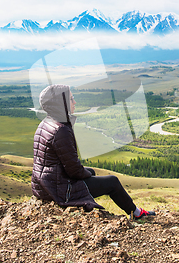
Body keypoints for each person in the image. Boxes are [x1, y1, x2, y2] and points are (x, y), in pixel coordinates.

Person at [31, 84, 155, 219]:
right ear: (62, 103)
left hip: (44, 185)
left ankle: (86, 204)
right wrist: (84, 173)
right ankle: (137, 214)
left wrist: (86, 173)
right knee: (112, 182)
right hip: (59, 190)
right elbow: (73, 170)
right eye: (71, 99)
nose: (75, 102)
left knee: (91, 172)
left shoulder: (47, 122)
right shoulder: (61, 130)